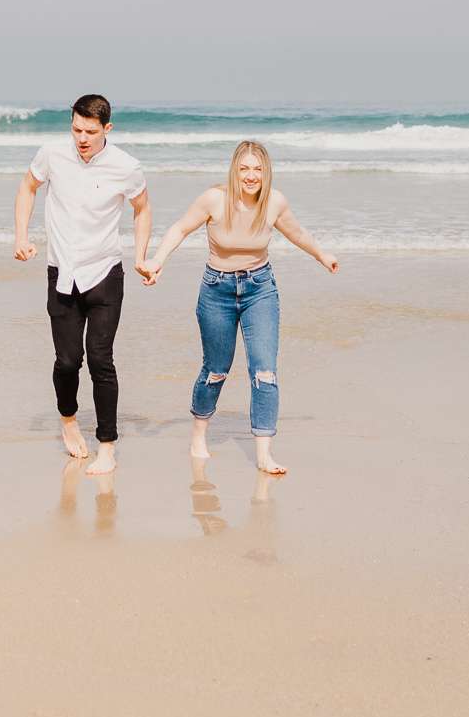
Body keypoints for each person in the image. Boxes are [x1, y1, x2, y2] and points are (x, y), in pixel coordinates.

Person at [140, 141, 336, 474]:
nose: (251, 175)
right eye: (244, 168)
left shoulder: (274, 203)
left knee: (265, 371)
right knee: (216, 369)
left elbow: (298, 233)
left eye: (257, 169)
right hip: (217, 290)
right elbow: (180, 228)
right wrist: (157, 260)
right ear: (234, 170)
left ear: (266, 172)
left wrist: (322, 255)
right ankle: (199, 434)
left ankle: (263, 454)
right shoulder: (214, 199)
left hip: (260, 289)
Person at [14, 94, 151, 477]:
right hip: (63, 272)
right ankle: (69, 419)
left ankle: (107, 446)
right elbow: (27, 187)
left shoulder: (126, 167)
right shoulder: (51, 155)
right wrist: (20, 236)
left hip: (105, 273)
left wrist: (141, 255)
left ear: (107, 129)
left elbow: (142, 208)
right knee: (68, 361)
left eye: (90, 131)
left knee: (101, 360)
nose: (82, 138)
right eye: (76, 130)